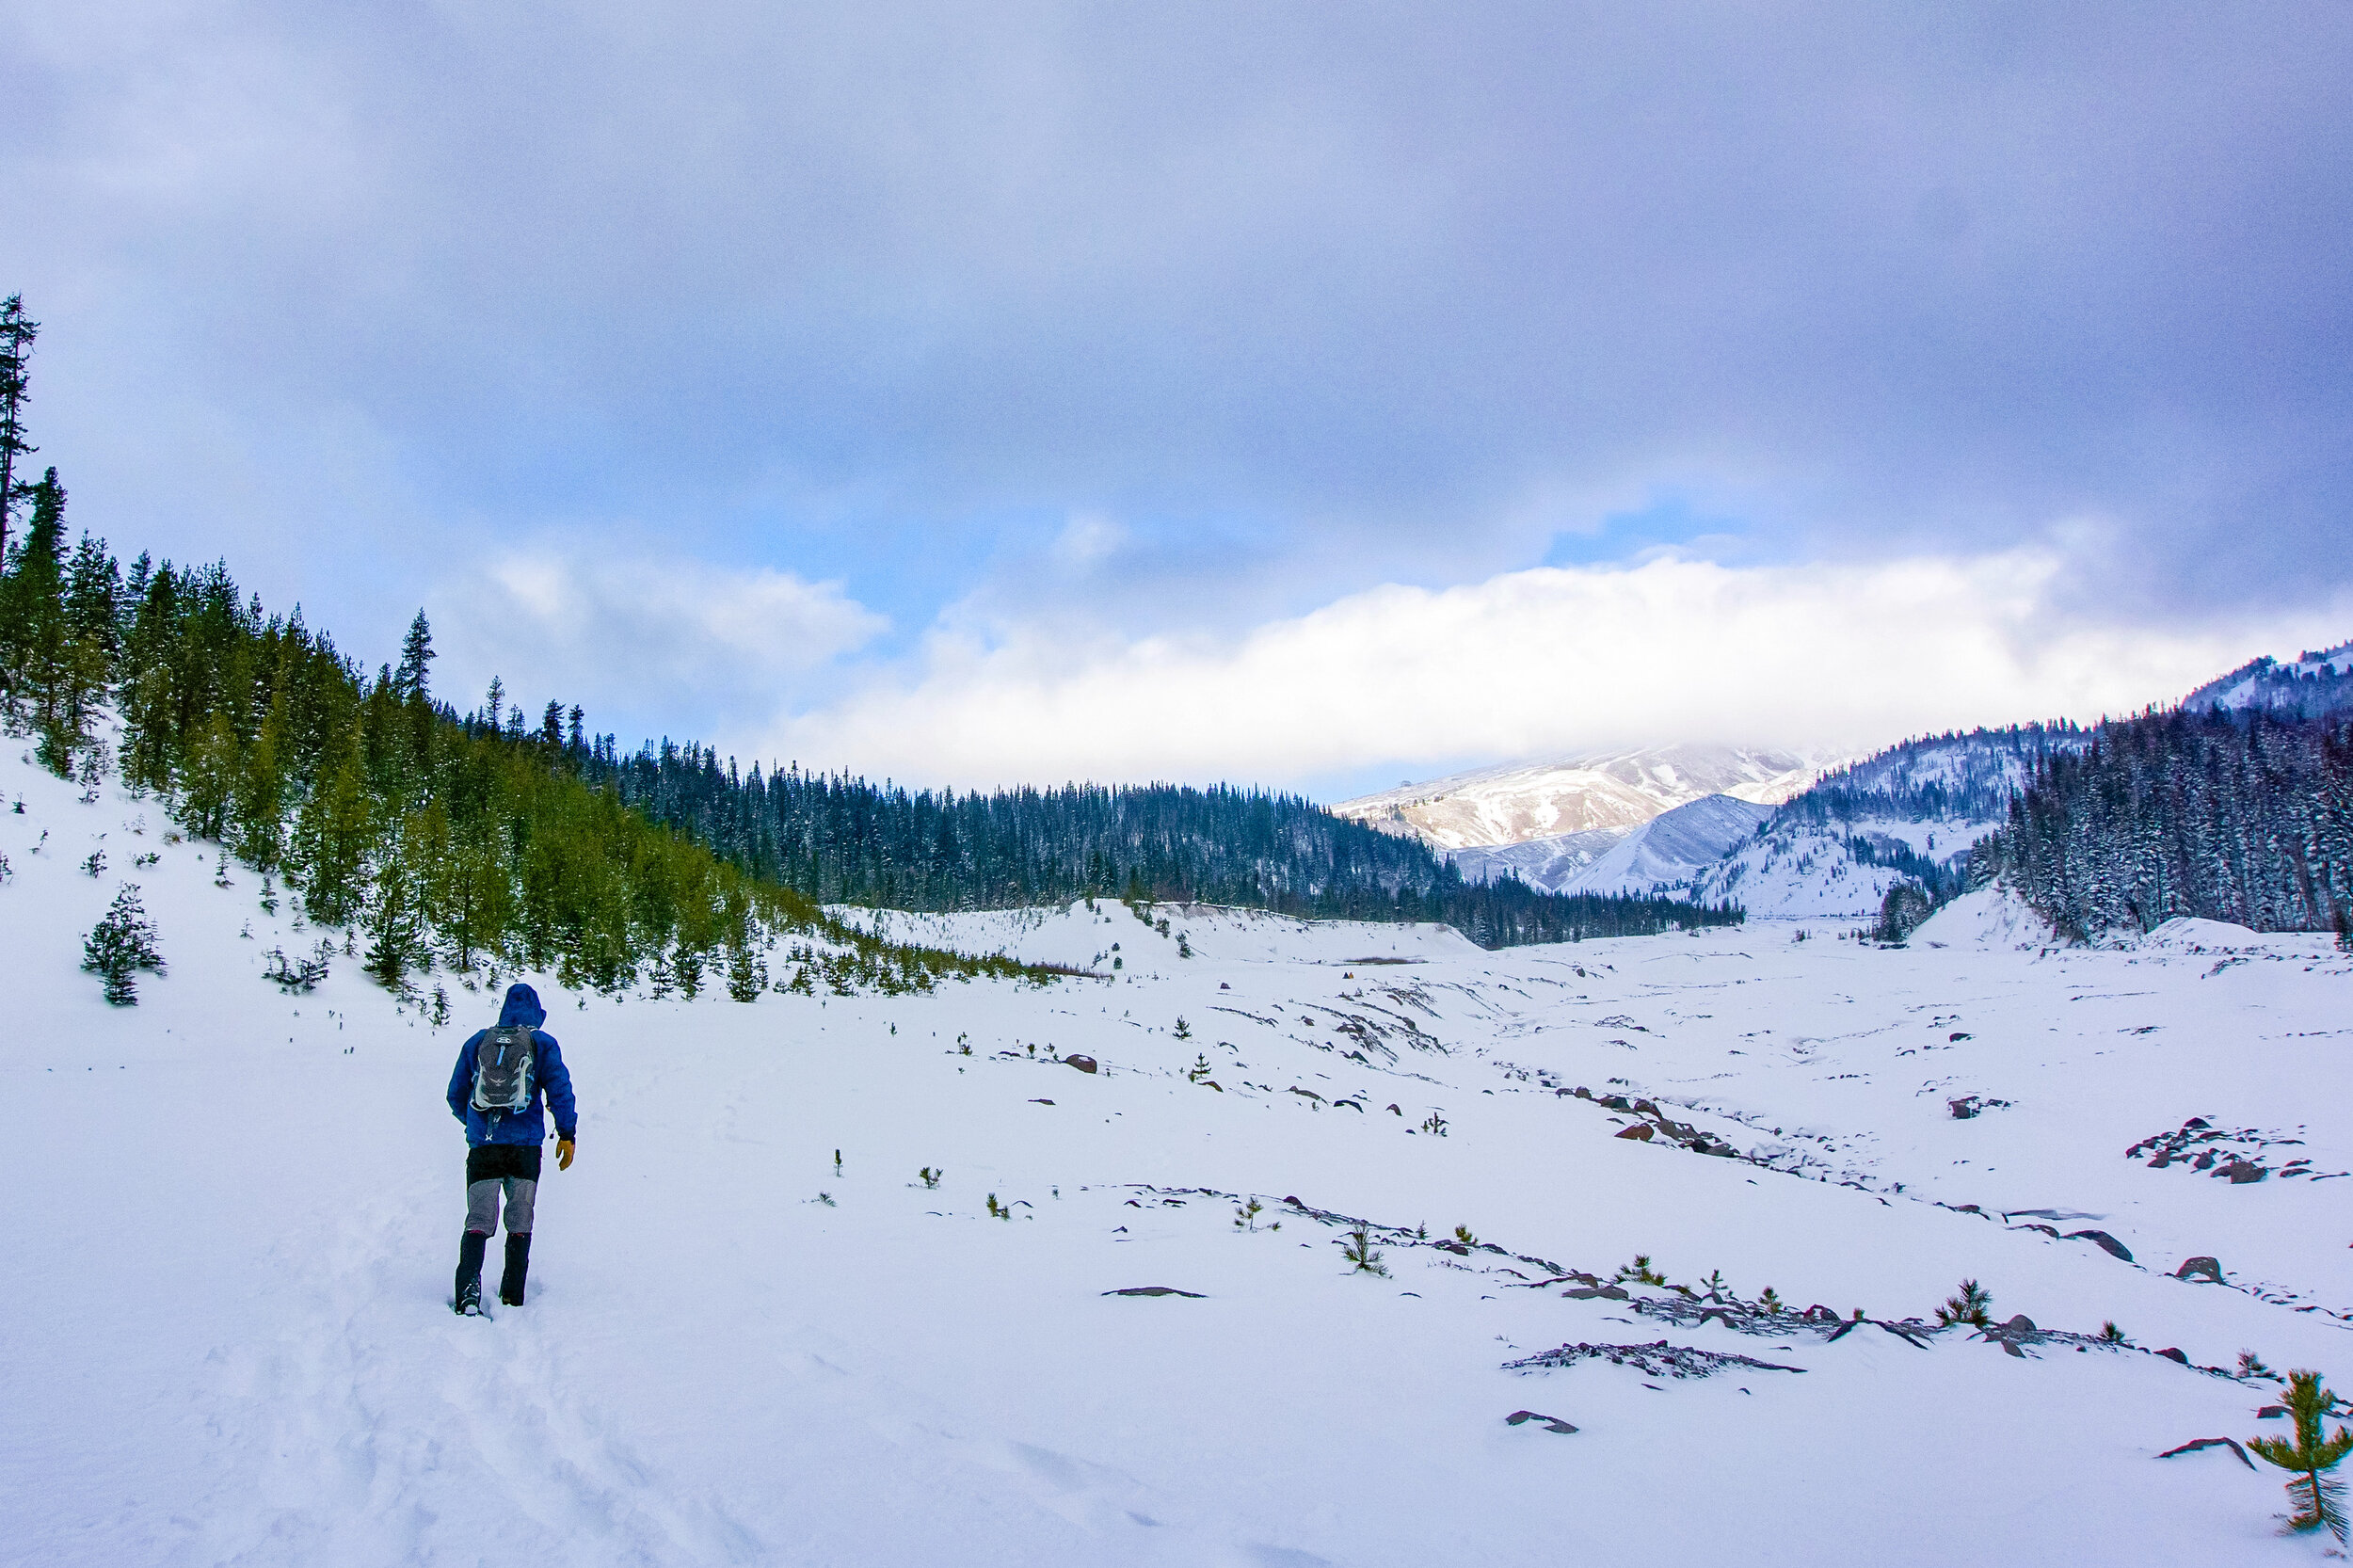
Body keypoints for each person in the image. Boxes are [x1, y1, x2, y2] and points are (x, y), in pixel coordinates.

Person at [445, 982, 578, 1314]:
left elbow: (455, 1094)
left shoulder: (478, 1041)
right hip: (526, 1148)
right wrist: (567, 1133)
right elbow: (560, 1090)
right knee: (520, 1220)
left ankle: (468, 1294)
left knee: (478, 1219)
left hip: (484, 1147)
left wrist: (476, 1126)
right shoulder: (542, 1043)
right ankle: (512, 1295)